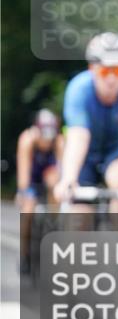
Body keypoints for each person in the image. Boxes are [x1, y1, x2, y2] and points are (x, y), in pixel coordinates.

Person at [53, 32, 118, 211]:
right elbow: (78, 137)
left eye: (117, 70)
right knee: (78, 215)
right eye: (104, 70)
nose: (111, 78)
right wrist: (68, 180)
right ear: (91, 68)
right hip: (85, 155)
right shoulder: (78, 88)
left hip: (117, 153)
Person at [16, 109, 64, 274]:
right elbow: (24, 176)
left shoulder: (58, 141)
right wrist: (24, 193)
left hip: (48, 176)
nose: (47, 141)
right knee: (27, 211)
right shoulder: (27, 140)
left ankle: (53, 227)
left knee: (55, 186)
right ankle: (24, 255)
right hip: (31, 178)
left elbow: (62, 170)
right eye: (44, 135)